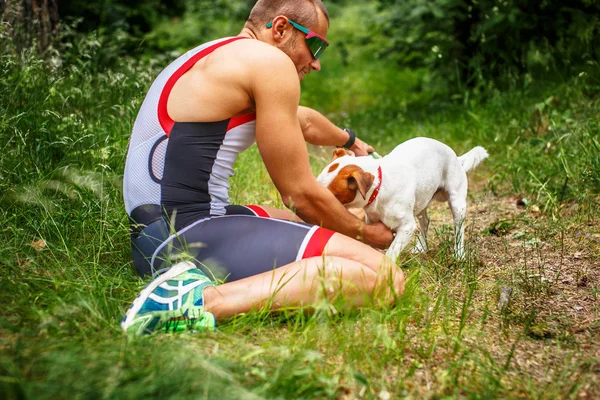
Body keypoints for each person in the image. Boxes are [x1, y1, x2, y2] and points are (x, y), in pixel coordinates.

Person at [121, 0, 405, 336]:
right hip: (184, 234)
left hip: (155, 230)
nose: (315, 63)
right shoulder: (271, 63)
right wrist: (366, 234)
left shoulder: (220, 55)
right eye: (314, 45)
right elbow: (300, 195)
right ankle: (196, 302)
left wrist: (351, 140)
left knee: (311, 225)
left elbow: (305, 121)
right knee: (384, 278)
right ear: (281, 28)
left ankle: (196, 281)